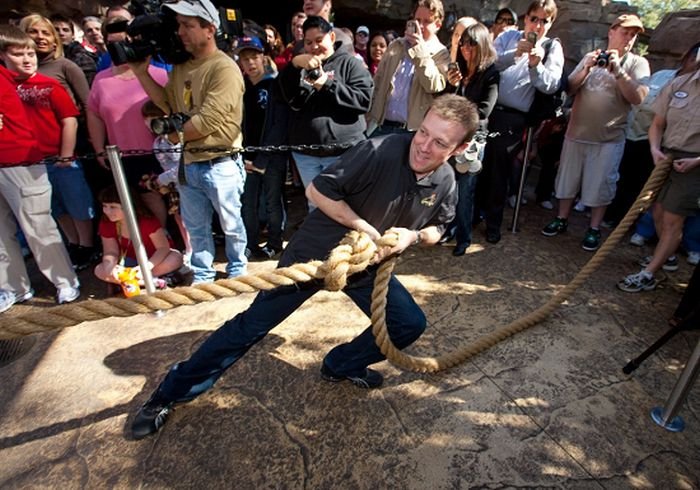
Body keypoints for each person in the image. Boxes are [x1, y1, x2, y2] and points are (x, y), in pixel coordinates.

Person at [129, 94, 479, 439]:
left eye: (439, 142)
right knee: (251, 326)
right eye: (423, 132)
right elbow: (317, 191)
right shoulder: (378, 150)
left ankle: (341, 364)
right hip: (314, 256)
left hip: (368, 265)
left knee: (409, 323)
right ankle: (169, 393)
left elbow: (439, 228)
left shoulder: (446, 180)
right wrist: (364, 228)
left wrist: (412, 236)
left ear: (459, 148)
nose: (424, 146)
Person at [130, 0, 248, 284]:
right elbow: (167, 104)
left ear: (210, 29)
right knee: (195, 227)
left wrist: (173, 135)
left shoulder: (224, 68)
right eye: (179, 25)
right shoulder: (181, 67)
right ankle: (203, 272)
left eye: (188, 25)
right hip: (190, 161)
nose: (181, 32)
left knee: (231, 224)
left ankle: (237, 267)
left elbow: (208, 121)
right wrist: (141, 73)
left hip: (221, 162)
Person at [542, 13, 649, 252]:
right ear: (611, 32)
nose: (629, 38)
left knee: (601, 186)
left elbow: (639, 97)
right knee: (567, 181)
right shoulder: (592, 56)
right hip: (576, 134)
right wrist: (586, 68)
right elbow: (569, 89)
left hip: (608, 139)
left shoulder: (637, 63)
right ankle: (561, 218)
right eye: (625, 32)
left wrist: (619, 71)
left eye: (633, 35)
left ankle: (594, 228)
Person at [0, 26, 81, 306]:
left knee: (38, 226)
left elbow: (69, 118)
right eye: (18, 54)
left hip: (23, 161)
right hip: (12, 160)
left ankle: (65, 281)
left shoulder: (37, 82)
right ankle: (13, 287)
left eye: (29, 53)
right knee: (2, 233)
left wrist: (65, 154)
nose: (26, 59)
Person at [478, 0, 564, 244]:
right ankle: (472, 214)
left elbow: (551, 85)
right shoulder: (508, 37)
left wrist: (536, 65)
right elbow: (488, 62)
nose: (537, 25)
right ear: (526, 18)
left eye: (544, 21)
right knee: (477, 162)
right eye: (534, 19)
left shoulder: (552, 47)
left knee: (498, 169)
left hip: (514, 117)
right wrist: (515, 53)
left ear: (550, 24)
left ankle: (493, 223)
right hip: (488, 109)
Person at [617, 50, 700, 292]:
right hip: (666, 154)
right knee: (658, 211)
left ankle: (649, 274)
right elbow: (657, 123)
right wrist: (654, 148)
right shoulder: (680, 83)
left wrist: (697, 160)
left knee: (673, 218)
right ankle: (667, 256)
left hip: (694, 163)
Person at [278, 15, 373, 199]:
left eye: (319, 40)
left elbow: (364, 100)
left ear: (331, 37)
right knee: (315, 204)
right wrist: (293, 67)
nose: (314, 46)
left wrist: (326, 84)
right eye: (308, 42)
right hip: (305, 155)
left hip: (343, 153)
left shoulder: (351, 63)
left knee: (344, 204)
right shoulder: (300, 65)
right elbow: (286, 97)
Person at [86, 16, 169, 228]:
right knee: (132, 201)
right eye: (112, 43)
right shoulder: (101, 80)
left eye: (123, 42)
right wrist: (99, 149)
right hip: (121, 155)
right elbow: (94, 114)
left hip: (160, 151)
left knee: (155, 198)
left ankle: (164, 240)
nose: (119, 48)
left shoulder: (159, 75)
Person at [444, 23, 499, 256]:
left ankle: (463, 237)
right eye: (463, 43)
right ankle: (448, 228)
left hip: (474, 139)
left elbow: (485, 110)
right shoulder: (459, 70)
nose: (466, 48)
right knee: (448, 186)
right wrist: (452, 85)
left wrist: (458, 106)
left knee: (466, 190)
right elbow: (444, 101)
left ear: (482, 44)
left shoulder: (491, 73)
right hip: (453, 135)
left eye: (471, 43)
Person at [237, 36, 290, 259]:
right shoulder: (240, 87)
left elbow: (279, 125)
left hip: (272, 156)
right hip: (246, 157)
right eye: (245, 59)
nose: (250, 63)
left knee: (272, 201)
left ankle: (275, 242)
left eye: (254, 57)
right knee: (247, 202)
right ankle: (250, 243)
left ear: (263, 58)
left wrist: (263, 159)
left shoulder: (274, 86)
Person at [367, 0, 450, 136]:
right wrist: (368, 116)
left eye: (427, 21)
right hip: (381, 125)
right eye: (418, 20)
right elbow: (378, 82)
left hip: (411, 131)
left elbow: (434, 86)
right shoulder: (396, 45)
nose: (420, 26)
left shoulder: (441, 53)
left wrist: (419, 50)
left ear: (438, 25)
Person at [94, 186, 183, 291]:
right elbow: (111, 252)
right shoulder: (106, 223)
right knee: (99, 269)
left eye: (113, 207)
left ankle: (128, 282)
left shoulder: (147, 221)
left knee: (176, 257)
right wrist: (110, 267)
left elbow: (163, 248)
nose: (107, 211)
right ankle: (150, 281)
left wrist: (146, 267)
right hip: (128, 262)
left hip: (154, 260)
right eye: (104, 206)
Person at [140, 101, 192, 262]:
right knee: (178, 216)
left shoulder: (173, 140)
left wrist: (161, 180)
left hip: (187, 183)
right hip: (174, 186)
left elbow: (181, 166)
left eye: (152, 118)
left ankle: (194, 250)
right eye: (145, 118)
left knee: (189, 218)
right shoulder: (158, 142)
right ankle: (189, 248)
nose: (148, 122)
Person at [50, 14, 97, 86]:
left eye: (65, 30)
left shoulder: (82, 58)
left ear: (73, 35)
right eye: (56, 30)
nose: (61, 33)